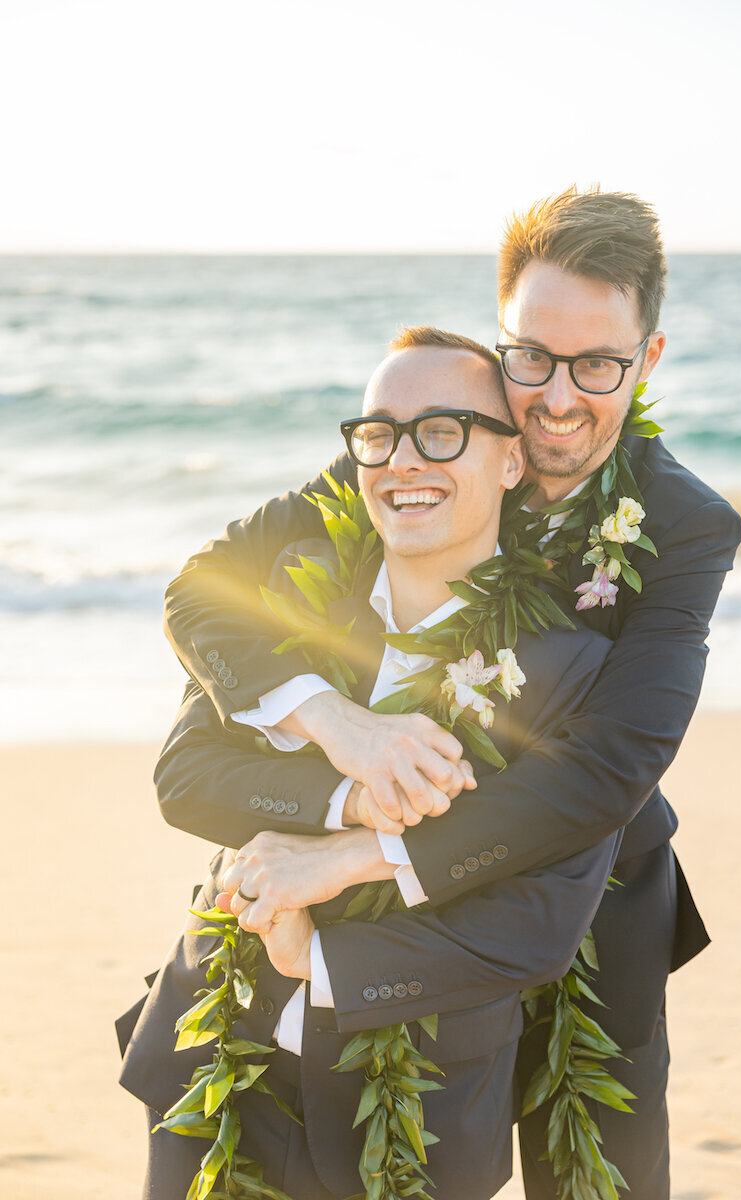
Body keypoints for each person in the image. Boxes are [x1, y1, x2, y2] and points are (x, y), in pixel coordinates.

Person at [153, 189, 741, 1197]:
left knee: (599, 1157)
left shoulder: (684, 524)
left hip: (589, 880)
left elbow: (608, 768)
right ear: (499, 336)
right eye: (531, 358)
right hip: (382, 837)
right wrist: (331, 723)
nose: (557, 398)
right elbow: (200, 590)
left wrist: (364, 848)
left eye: (595, 364)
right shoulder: (413, 445)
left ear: (644, 360)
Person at [118, 333, 624, 1200]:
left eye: (442, 431)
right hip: (211, 1060)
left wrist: (312, 955)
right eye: (379, 434)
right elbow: (187, 777)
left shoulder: (569, 666)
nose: (402, 461)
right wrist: (347, 780)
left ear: (512, 460)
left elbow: (538, 921)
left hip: (417, 1109)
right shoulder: (291, 589)